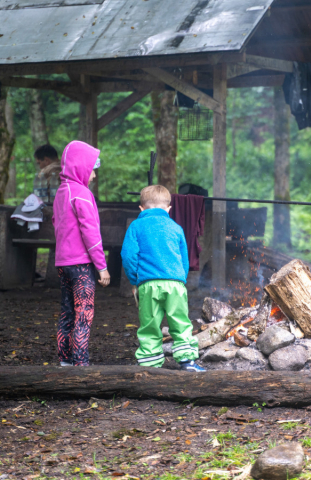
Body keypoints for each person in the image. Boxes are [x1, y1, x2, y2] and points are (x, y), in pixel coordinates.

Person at [121, 185, 205, 372]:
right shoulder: (176, 227)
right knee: (181, 322)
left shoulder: (136, 226)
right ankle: (187, 362)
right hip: (175, 284)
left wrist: (135, 279)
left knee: (149, 324)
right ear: (168, 209)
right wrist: (180, 278)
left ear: (141, 208)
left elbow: (128, 255)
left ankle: (150, 365)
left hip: (148, 284)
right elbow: (184, 257)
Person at [52, 141, 111, 366]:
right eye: (92, 169)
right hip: (81, 266)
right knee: (84, 312)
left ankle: (65, 360)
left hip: (62, 263)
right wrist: (102, 267)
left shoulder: (61, 192)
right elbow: (91, 233)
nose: (94, 175)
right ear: (80, 167)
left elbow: (56, 223)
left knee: (67, 311)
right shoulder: (82, 193)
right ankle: (80, 362)